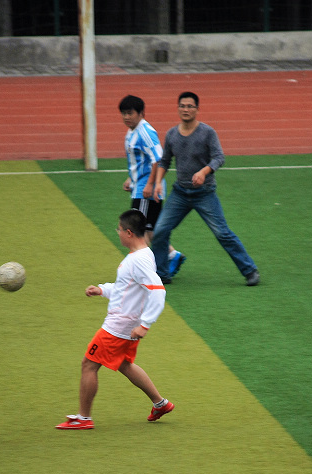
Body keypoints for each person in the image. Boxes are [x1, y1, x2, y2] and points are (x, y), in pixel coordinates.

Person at [56, 209, 173, 429]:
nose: (117, 233)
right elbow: (126, 289)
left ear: (129, 232)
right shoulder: (142, 255)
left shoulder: (138, 260)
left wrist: (145, 325)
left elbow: (158, 291)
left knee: (89, 364)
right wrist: (101, 290)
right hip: (128, 323)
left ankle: (84, 418)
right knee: (124, 364)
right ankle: (160, 403)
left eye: (119, 229)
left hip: (119, 325)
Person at [149, 91, 260, 286]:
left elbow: (219, 157)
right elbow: (165, 161)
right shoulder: (172, 134)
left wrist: (204, 172)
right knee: (160, 230)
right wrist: (158, 182)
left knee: (222, 232)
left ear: (197, 109)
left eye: (190, 106)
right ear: (178, 108)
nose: (186, 109)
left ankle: (250, 270)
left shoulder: (207, 132)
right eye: (182, 106)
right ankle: (162, 273)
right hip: (180, 193)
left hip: (204, 194)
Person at [118, 94, 186, 278]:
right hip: (141, 186)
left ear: (141, 113)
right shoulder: (132, 131)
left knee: (137, 231)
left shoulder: (145, 132)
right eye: (124, 113)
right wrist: (130, 179)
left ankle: (143, 270)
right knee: (150, 229)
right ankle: (172, 255)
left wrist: (149, 185)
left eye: (130, 113)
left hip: (146, 191)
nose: (126, 117)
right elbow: (142, 161)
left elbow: (158, 159)